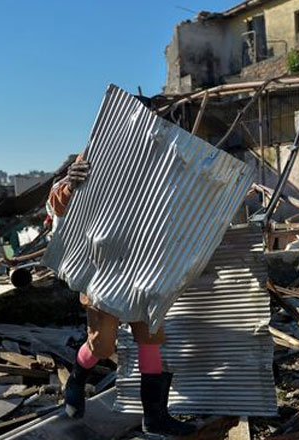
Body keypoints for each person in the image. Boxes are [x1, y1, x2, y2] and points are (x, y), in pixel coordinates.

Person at [47, 155, 196, 436]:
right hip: (101, 272)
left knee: (150, 340)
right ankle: (76, 381)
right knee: (102, 345)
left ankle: (154, 417)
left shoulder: (153, 158)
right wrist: (70, 185)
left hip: (142, 269)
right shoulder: (94, 154)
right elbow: (57, 204)